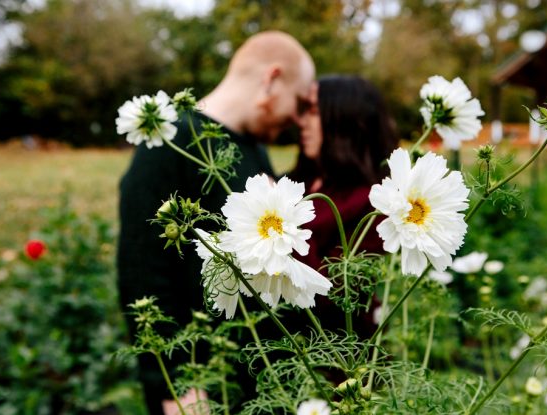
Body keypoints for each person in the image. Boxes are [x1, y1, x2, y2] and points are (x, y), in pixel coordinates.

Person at [117, 31, 316, 415]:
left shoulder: (254, 148)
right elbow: (142, 272)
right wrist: (176, 387)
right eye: (300, 101)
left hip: (259, 376)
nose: (298, 117)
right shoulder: (169, 142)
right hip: (203, 385)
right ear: (272, 79)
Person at [289, 74, 399, 334]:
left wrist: (285, 225)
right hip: (283, 341)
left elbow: (337, 296)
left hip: (339, 353)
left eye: (314, 112)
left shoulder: (374, 204)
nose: (303, 123)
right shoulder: (297, 179)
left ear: (345, 123)